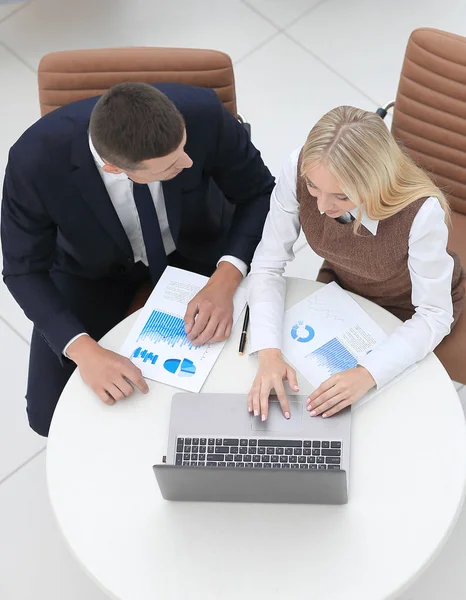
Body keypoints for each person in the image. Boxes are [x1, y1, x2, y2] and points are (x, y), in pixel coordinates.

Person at [1, 82, 274, 437]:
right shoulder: (33, 161)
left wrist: (227, 275)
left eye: (184, 148)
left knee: (232, 386)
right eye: (173, 166)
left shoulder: (203, 112)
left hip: (199, 249)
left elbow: (259, 192)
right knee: (48, 415)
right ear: (115, 168)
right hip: (91, 269)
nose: (188, 162)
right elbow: (23, 269)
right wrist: (84, 351)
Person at [247, 105, 464, 421]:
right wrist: (267, 351)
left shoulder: (420, 213)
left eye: (341, 197)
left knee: (380, 414)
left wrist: (367, 373)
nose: (321, 207)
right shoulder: (301, 166)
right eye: (313, 188)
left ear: (374, 182)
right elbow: (268, 263)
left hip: (407, 308)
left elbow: (434, 314)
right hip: (342, 287)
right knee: (309, 398)